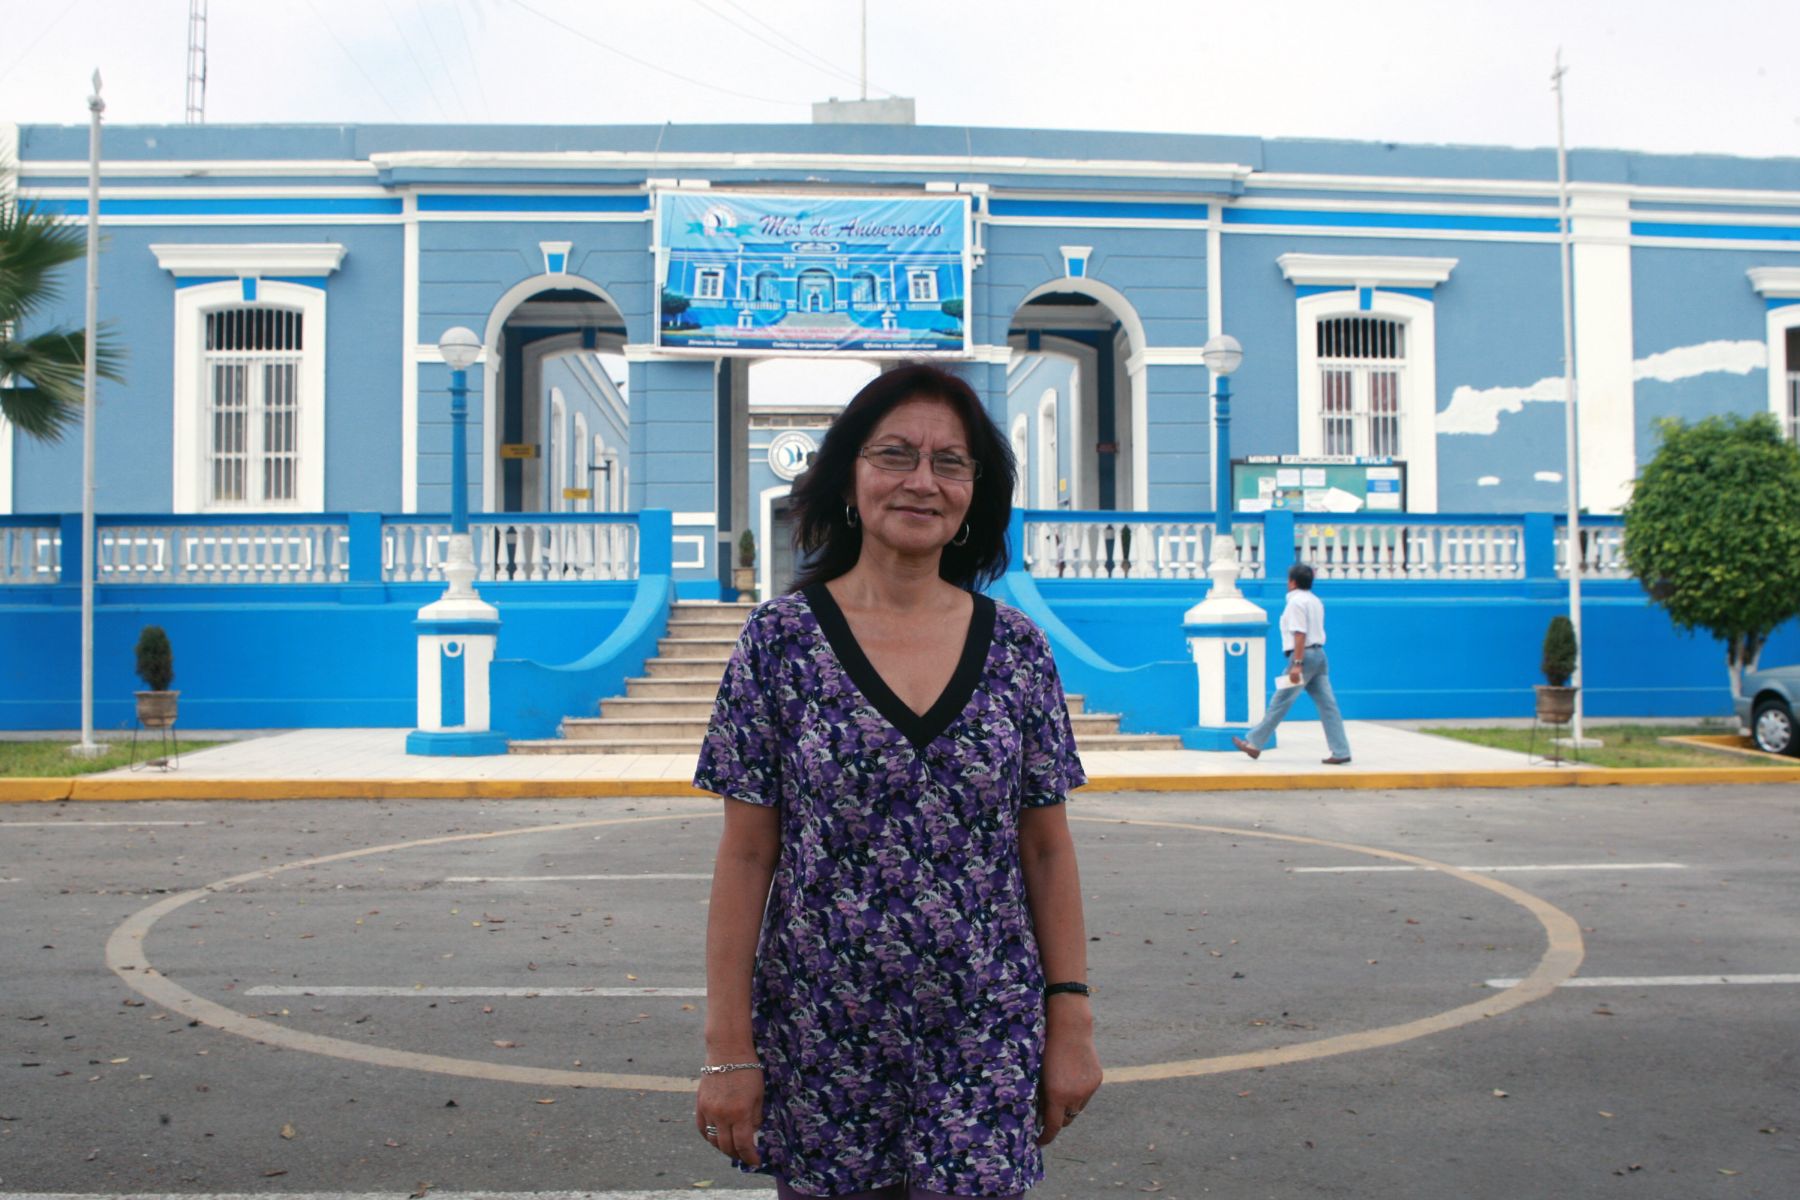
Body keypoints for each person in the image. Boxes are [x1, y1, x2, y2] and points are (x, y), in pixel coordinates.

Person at [692, 362, 1103, 1200]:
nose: (922, 481)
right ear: (851, 476)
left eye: (950, 462)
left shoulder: (1018, 650)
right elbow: (744, 859)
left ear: (975, 493)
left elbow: (1047, 850)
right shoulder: (778, 644)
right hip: (820, 1037)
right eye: (895, 454)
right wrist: (729, 1048)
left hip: (984, 1034)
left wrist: (1072, 1018)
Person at [1232, 562, 1352, 765]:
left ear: (1292, 582)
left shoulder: (1296, 603)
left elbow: (1299, 633)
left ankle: (1253, 743)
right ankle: (1340, 750)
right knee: (1328, 705)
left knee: (1281, 701)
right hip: (1319, 656)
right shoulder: (1315, 601)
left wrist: (1297, 663)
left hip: (1303, 657)